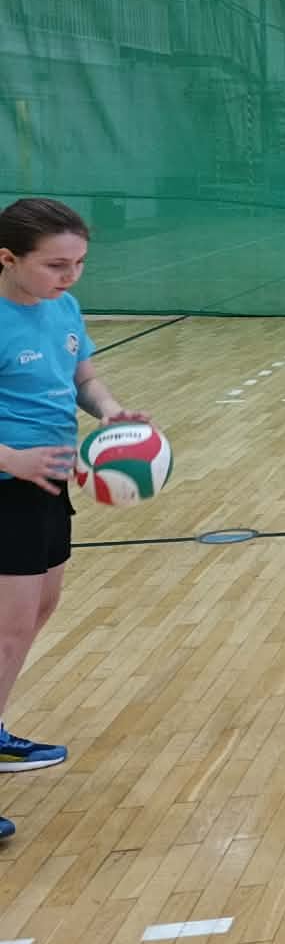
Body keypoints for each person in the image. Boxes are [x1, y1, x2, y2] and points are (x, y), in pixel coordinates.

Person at [0, 197, 152, 843]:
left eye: (80, 263)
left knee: (39, 609)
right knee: (7, 630)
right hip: (8, 488)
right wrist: (12, 458)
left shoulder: (63, 308)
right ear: (8, 258)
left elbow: (83, 379)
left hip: (49, 483)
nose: (70, 276)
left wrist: (110, 411)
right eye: (55, 265)